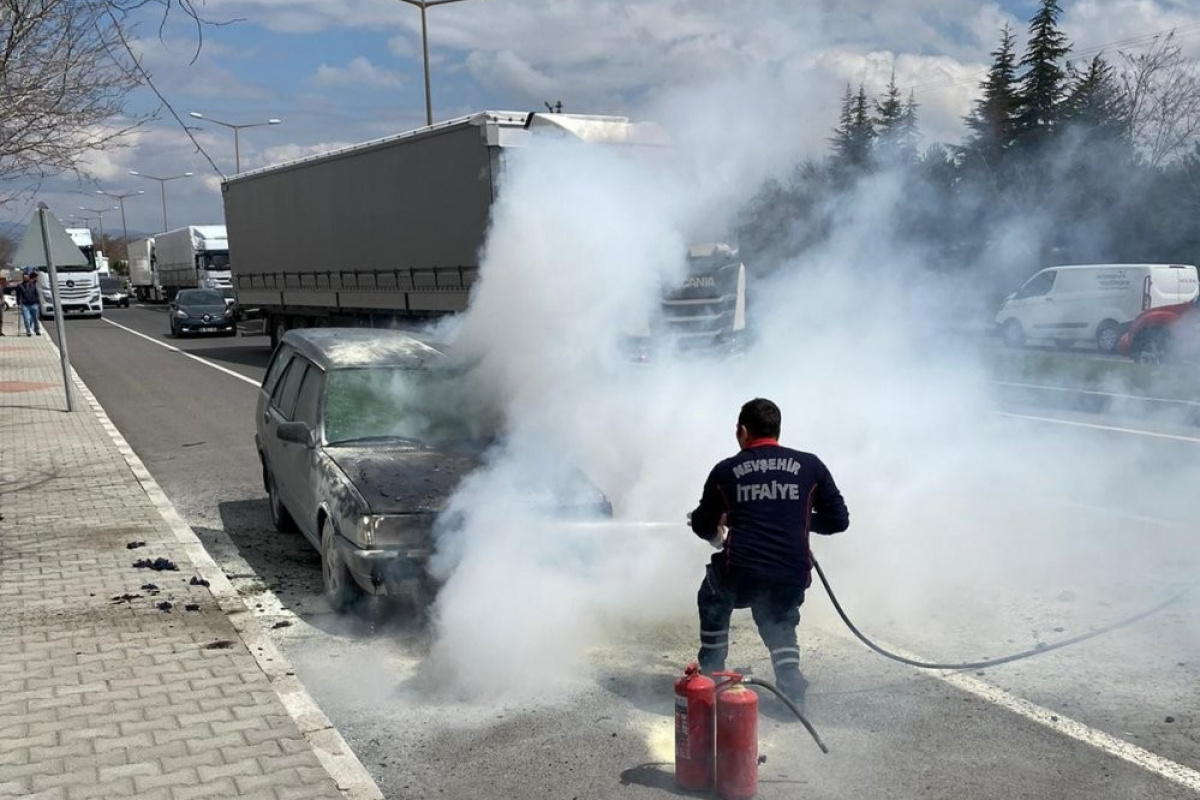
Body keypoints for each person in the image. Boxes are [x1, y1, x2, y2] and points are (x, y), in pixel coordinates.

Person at [688, 397, 849, 711]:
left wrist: (717, 532)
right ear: (777, 430)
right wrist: (795, 519)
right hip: (791, 574)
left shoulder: (726, 470)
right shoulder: (811, 465)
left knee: (712, 595)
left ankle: (710, 677)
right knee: (779, 620)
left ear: (742, 431)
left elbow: (701, 523)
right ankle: (791, 690)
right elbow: (838, 521)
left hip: (741, 575)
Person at [16, 270, 41, 336]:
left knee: (35, 319)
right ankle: (28, 331)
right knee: (26, 319)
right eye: (24, 277)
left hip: (34, 304)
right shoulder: (19, 286)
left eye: (27, 277)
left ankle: (37, 330)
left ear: (29, 277)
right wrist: (18, 302)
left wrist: (37, 301)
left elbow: (36, 293)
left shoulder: (33, 285)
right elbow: (18, 295)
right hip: (25, 305)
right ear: (23, 278)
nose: (26, 278)